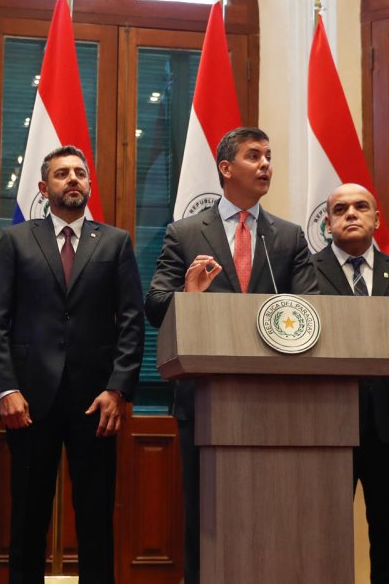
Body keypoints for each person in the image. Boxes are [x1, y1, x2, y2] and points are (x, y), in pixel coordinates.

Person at [144, 126, 318, 584]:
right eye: (254, 156)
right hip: (204, 396)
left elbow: (310, 310)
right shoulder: (184, 233)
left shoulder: (288, 236)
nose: (266, 165)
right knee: (206, 514)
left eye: (269, 156)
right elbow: (155, 306)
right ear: (226, 168)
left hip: (276, 398)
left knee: (273, 512)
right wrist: (189, 294)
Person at [0, 146, 144, 584]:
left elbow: (131, 321)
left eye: (79, 173)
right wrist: (6, 390)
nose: (72, 179)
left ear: (89, 185)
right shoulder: (16, 240)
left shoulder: (115, 242)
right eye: (61, 174)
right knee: (28, 515)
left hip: (96, 402)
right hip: (29, 401)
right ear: (43, 187)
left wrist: (118, 389)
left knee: (95, 515)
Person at [311, 183, 389, 584]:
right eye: (340, 209)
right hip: (325, 429)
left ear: (377, 219)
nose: (351, 214)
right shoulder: (305, 273)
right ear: (327, 223)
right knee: (322, 539)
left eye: (361, 207)